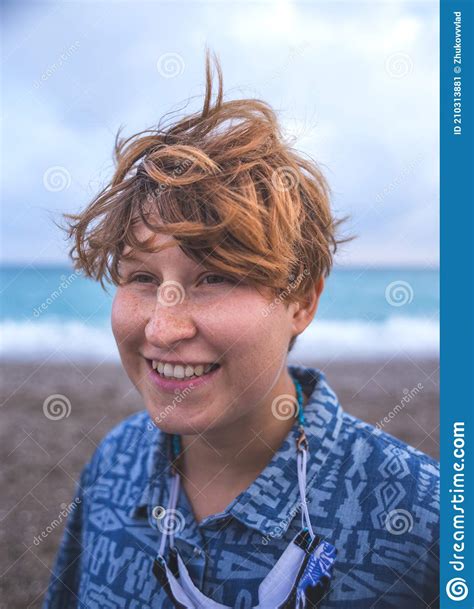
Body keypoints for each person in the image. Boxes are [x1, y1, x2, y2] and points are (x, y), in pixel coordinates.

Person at [43, 51, 439, 609]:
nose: (164, 326)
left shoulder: (426, 517)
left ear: (301, 301)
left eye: (214, 277)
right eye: (141, 277)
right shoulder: (113, 464)